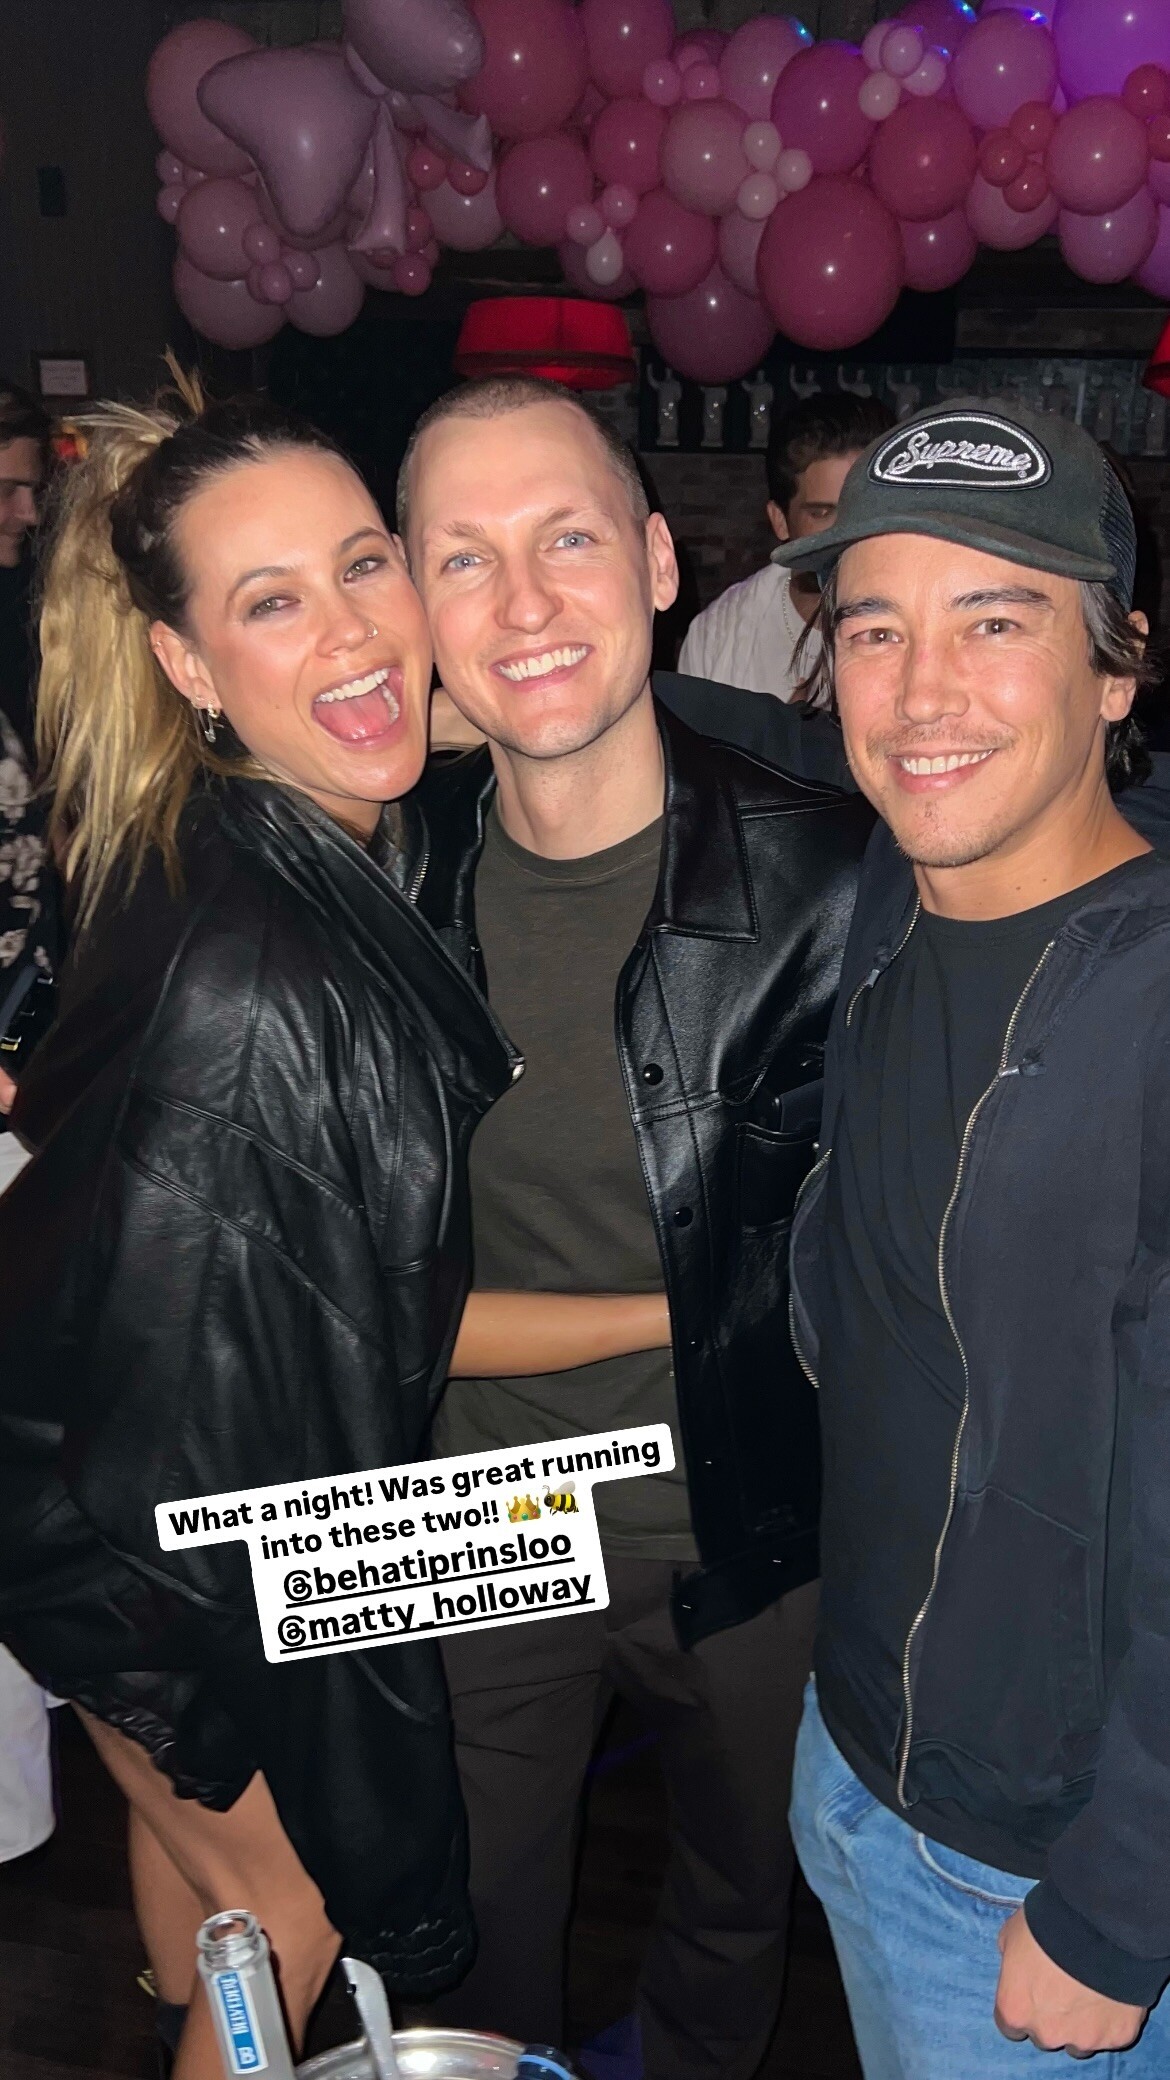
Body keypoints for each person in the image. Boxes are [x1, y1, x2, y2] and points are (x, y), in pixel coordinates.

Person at [0, 378, 670, 2080]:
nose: (356, 634)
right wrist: (680, 1304)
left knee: (204, 1871)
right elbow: (365, 1337)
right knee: (290, 1900)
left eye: (366, 566)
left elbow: (417, 706)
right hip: (123, 1534)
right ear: (187, 664)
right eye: (271, 603)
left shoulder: (232, 813)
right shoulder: (272, 991)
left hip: (66, 1449)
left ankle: (179, 2010)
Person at [395, 374, 873, 2080]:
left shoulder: (833, 875)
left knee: (739, 1904)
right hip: (471, 1515)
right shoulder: (374, 876)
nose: (523, 603)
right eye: (463, 558)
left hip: (747, 1525)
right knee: (460, 1931)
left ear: (662, 563)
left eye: (569, 540)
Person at [778, 397, 1170, 2074]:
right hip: (857, 1753)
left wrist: (1120, 1903)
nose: (921, 692)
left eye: (995, 623)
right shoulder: (890, 887)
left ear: (1115, 669)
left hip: (1035, 1865)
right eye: (876, 629)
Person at [677, 391, 894, 703]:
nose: (847, 533)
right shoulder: (719, 634)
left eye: (865, 509)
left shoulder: (935, 618)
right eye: (823, 513)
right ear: (780, 521)